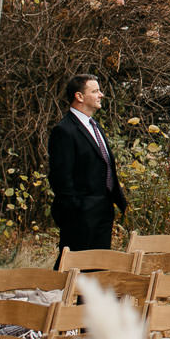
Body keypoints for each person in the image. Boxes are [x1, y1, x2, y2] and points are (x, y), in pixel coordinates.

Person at [47, 74, 126, 255]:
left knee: (97, 271)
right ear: (79, 96)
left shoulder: (95, 126)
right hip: (80, 215)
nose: (101, 95)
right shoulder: (64, 130)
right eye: (95, 91)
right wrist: (76, 210)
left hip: (103, 212)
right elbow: (61, 177)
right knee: (73, 269)